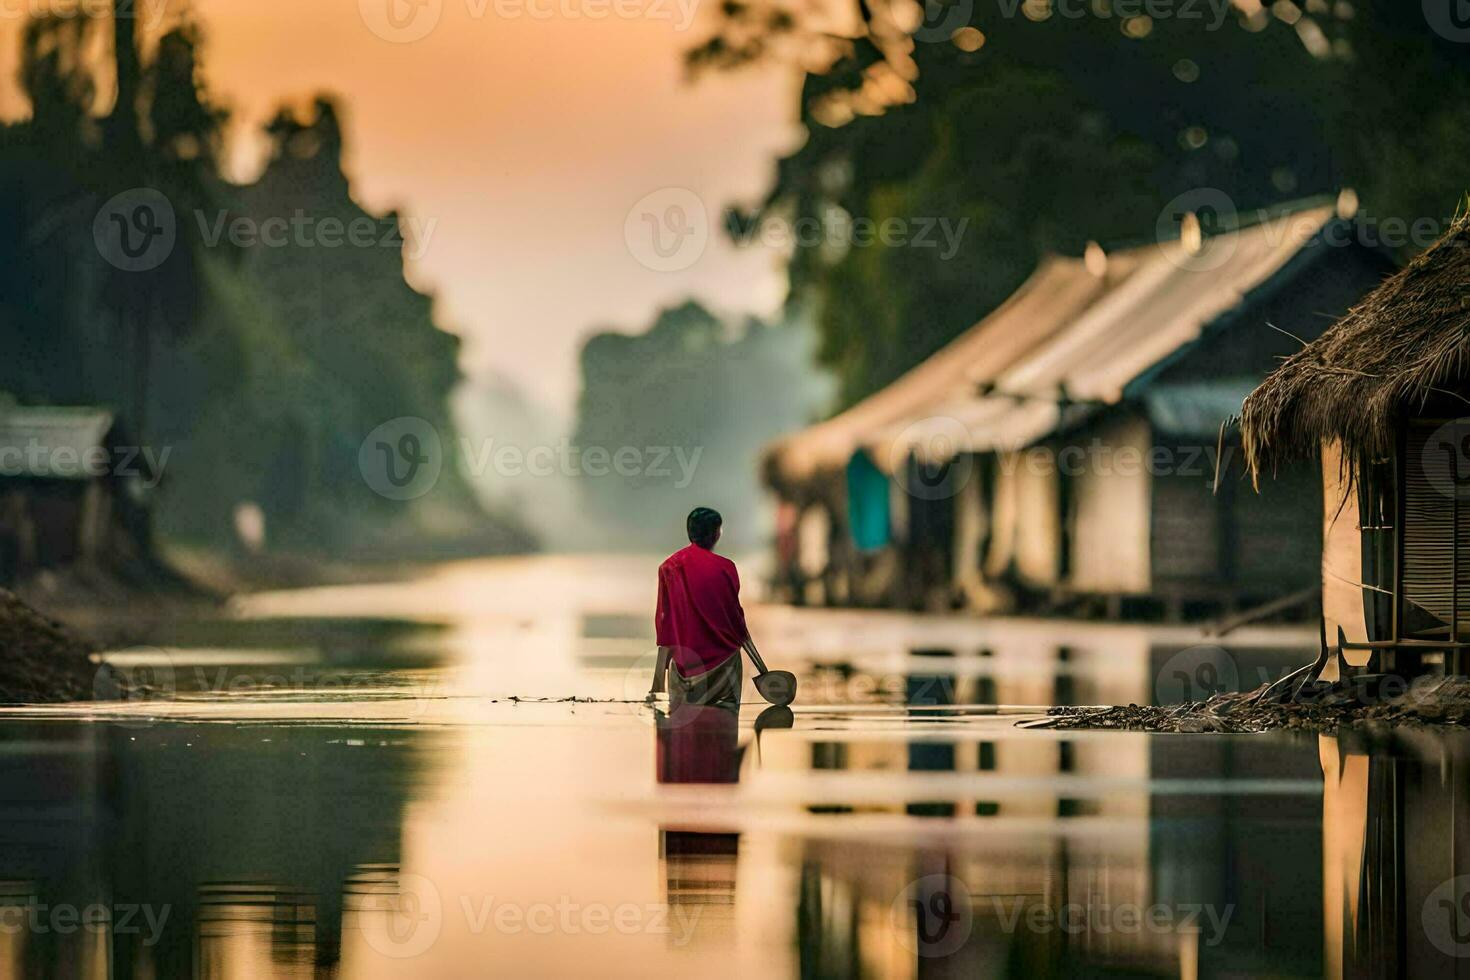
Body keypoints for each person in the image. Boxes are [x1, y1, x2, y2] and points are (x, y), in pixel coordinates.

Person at [648, 507, 763, 709]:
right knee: (723, 730)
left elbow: (665, 626)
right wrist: (762, 668)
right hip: (724, 667)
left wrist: (657, 682)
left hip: (684, 668)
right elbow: (736, 622)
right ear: (716, 534)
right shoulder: (726, 568)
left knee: (679, 732)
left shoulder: (668, 567)